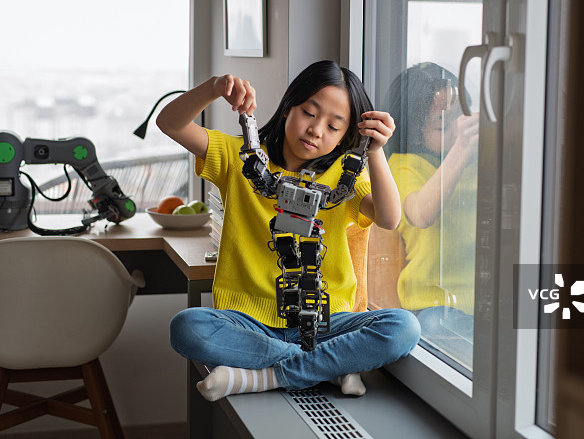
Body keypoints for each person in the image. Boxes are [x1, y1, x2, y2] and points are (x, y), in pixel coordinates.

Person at [157, 60, 420, 401]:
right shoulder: (238, 159)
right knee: (187, 327)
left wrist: (377, 151)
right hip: (250, 324)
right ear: (287, 108)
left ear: (346, 136)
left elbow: (389, 218)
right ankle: (329, 368)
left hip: (327, 324)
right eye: (309, 113)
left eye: (334, 126)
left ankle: (264, 377)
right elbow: (169, 123)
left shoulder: (346, 176)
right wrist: (214, 88)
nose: (316, 130)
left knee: (402, 328)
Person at [384, 62, 479, 367]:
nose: (455, 132)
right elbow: (421, 214)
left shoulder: (479, 162)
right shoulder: (403, 166)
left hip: (486, 305)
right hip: (434, 308)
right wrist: (461, 150)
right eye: (441, 126)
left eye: (458, 120)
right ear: (414, 130)